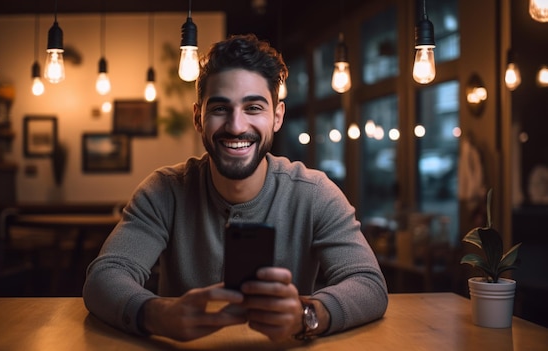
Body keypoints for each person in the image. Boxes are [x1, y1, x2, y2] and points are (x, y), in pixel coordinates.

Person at [83, 33, 388, 342]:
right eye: (219, 109)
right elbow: (104, 277)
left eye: (253, 108)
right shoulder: (164, 191)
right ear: (198, 118)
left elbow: (367, 283)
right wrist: (158, 315)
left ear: (277, 117)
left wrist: (307, 316)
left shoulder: (314, 192)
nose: (236, 126)